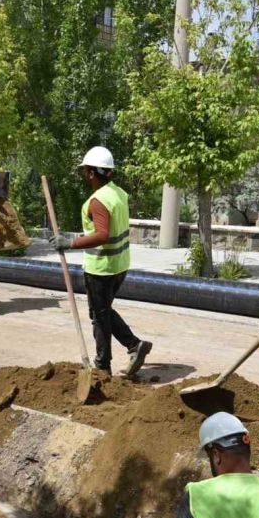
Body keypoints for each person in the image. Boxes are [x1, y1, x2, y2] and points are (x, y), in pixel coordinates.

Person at [47, 147, 152, 378]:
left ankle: (103, 365)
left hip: (101, 269)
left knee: (99, 316)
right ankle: (134, 346)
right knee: (102, 312)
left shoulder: (98, 201)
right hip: (119, 265)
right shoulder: (119, 193)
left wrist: (70, 242)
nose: (84, 175)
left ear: (92, 173)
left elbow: (103, 235)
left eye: (85, 170)